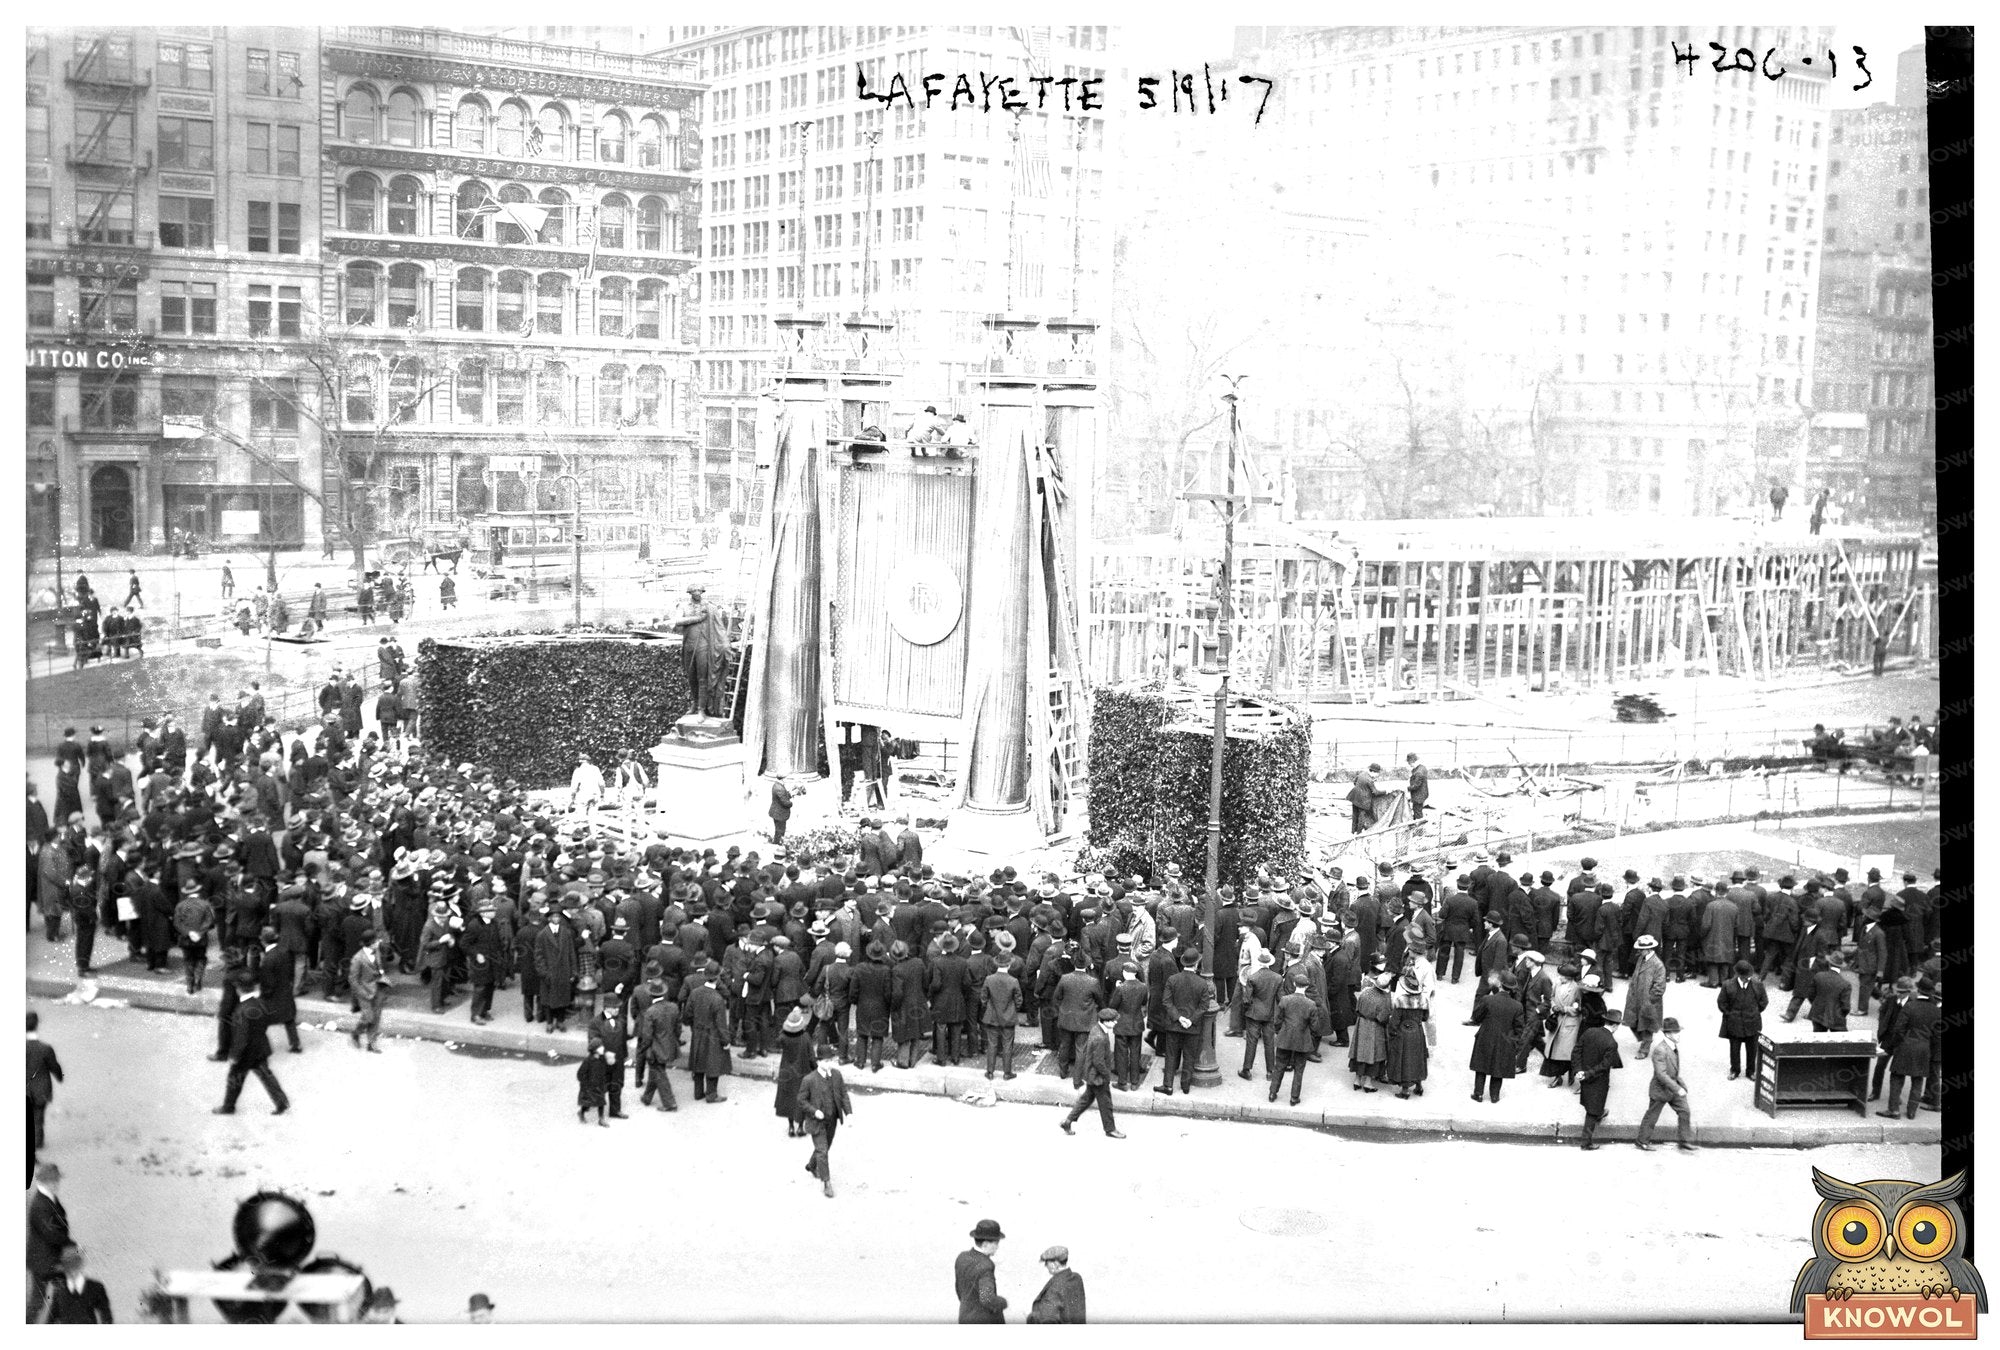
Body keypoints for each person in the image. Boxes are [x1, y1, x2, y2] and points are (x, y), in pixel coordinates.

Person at [214, 972, 290, 1116]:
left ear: (239, 989)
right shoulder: (260, 1003)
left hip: (245, 1054)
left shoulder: (242, 1010)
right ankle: (281, 1101)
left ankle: (228, 1106)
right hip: (260, 1048)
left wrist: (235, 1055)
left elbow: (240, 1038)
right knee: (266, 1076)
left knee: (234, 1079)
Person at [668, 585, 733, 718]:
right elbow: (678, 621)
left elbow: (719, 628)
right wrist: (697, 618)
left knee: (702, 677)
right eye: (694, 591)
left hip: (703, 645)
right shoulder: (683, 606)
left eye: (699, 591)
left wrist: (725, 645)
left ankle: (701, 709)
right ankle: (695, 703)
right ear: (690, 593)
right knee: (691, 677)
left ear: (702, 592)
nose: (697, 593)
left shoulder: (710, 607)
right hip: (688, 646)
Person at [1059, 1007, 1125, 1138]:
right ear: (1105, 1021)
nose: (1115, 1023)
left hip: (1092, 1075)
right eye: (1113, 1021)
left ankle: (1068, 1121)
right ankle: (1110, 1129)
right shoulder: (1100, 1037)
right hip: (1098, 1077)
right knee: (1106, 1104)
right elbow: (1098, 1061)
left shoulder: (1097, 1029)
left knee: (1086, 1100)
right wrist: (1107, 1075)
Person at [797, 1045, 852, 1199]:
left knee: (825, 1147)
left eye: (831, 1060)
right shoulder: (809, 1080)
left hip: (832, 1120)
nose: (829, 1063)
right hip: (817, 1122)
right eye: (826, 1061)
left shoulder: (836, 1075)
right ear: (819, 1061)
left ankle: (811, 1165)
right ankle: (827, 1183)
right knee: (822, 1151)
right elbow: (801, 1100)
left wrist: (849, 1113)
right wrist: (815, 1111)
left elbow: (843, 1094)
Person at [1633, 1016, 1695, 1152]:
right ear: (1668, 1034)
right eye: (1676, 1032)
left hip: (1672, 1088)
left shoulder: (1672, 1047)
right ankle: (1642, 1141)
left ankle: (1684, 1141)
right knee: (1652, 1116)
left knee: (1684, 1111)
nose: (1679, 1035)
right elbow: (1661, 1074)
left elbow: (1674, 1071)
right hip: (1660, 1089)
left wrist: (1681, 1085)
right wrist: (1678, 1089)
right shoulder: (1660, 1050)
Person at [1573, 983, 1622, 1150]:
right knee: (1592, 1111)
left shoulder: (1590, 1032)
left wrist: (1578, 1071)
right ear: (1615, 1025)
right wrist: (1587, 1074)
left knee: (1590, 1104)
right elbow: (1604, 1066)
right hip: (1597, 1081)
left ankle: (1600, 1112)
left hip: (1584, 1076)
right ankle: (1586, 1142)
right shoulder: (1611, 1042)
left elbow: (1577, 1051)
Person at [26, 1160, 70, 1322]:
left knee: (61, 1294)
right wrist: (69, 1244)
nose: (57, 1183)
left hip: (50, 1258)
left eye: (57, 1180)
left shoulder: (49, 1198)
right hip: (43, 1262)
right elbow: (51, 1233)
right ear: (46, 1181)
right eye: (54, 1180)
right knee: (38, 1300)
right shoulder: (40, 1204)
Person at [685, 962, 733, 1103]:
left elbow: (687, 1013)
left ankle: (698, 1092)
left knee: (698, 1063)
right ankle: (711, 1094)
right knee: (713, 1064)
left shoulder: (695, 993)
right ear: (717, 978)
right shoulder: (717, 999)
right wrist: (726, 1041)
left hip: (698, 1033)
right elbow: (721, 1024)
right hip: (713, 1035)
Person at [26, 1011, 63, 1186]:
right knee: (38, 1118)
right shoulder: (45, 1048)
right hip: (40, 1090)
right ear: (37, 1025)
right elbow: (54, 1067)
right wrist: (60, 1076)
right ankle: (36, 1144)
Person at [1270, 972, 1319, 1105]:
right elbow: (1315, 1027)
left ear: (1294, 984)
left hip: (1285, 1037)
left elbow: (1277, 1020)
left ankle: (1273, 1092)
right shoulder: (1311, 1004)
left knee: (1279, 1066)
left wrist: (1280, 1032)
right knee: (1299, 1069)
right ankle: (1294, 1097)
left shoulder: (1285, 1000)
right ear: (1307, 986)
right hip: (1302, 1040)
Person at [1716, 959, 1767, 1082]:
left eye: (1748, 976)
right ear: (1738, 975)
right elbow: (1721, 1003)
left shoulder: (1758, 985)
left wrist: (1754, 1012)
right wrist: (1730, 1014)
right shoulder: (1728, 985)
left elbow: (1763, 1002)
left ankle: (1751, 1071)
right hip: (1734, 1023)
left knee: (1752, 1049)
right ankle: (1735, 1070)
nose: (1747, 979)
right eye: (1745, 977)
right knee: (1734, 1049)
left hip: (1752, 1022)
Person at [41, 1244, 112, 1324]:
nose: (72, 1270)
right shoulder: (59, 1290)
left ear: (81, 1265)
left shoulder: (96, 1288)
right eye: (68, 1266)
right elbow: (51, 1318)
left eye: (75, 1265)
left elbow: (106, 1316)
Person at [956, 1220, 1010, 1323]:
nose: (998, 1247)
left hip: (965, 1317)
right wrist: (1003, 1302)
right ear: (985, 1244)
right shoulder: (986, 1265)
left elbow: (959, 1290)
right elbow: (987, 1299)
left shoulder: (962, 1258)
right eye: (996, 1243)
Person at [774, 1003, 815, 1134]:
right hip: (802, 1072)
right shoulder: (806, 1038)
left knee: (788, 1099)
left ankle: (791, 1127)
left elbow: (778, 1040)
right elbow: (811, 1057)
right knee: (802, 1098)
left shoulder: (783, 1037)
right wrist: (816, 1068)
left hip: (786, 1071)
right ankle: (801, 1127)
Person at [1026, 1247, 1087, 1324]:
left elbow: (1048, 1319)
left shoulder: (1055, 1288)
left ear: (1055, 1264)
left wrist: (1031, 1318)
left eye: (1046, 1262)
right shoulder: (1076, 1278)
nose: (1045, 1265)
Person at [576, 1044, 610, 1126]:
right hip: (590, 1086)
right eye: (600, 1047)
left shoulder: (602, 1058)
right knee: (588, 1102)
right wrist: (585, 1084)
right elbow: (580, 1074)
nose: (603, 1048)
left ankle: (601, 1119)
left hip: (600, 1084)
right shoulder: (588, 1061)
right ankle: (581, 1112)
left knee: (601, 1101)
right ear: (595, 1050)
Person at [769, 778, 796, 845]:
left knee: (778, 830)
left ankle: (777, 842)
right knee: (780, 831)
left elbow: (783, 796)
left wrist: (791, 794)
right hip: (779, 813)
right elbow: (785, 802)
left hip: (776, 812)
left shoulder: (776, 785)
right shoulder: (779, 788)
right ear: (783, 779)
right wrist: (791, 803)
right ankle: (778, 845)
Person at [1405, 751, 1429, 820]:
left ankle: (1419, 827)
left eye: (1409, 763)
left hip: (1418, 796)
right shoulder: (1422, 767)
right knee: (1418, 810)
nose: (1409, 765)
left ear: (1412, 762)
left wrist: (1407, 788)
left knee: (1417, 812)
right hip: (1422, 794)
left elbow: (1415, 786)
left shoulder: (1418, 772)